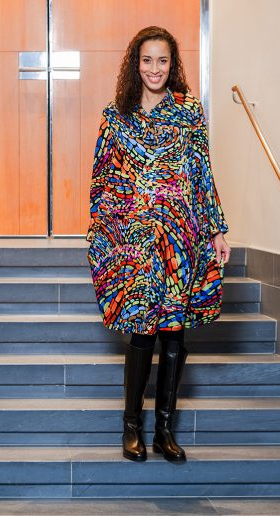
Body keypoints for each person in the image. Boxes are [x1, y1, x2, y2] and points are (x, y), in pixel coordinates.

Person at [85, 26, 231, 462]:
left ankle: (164, 429)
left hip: (181, 239)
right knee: (142, 330)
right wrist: (104, 233)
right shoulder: (116, 116)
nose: (155, 69)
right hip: (135, 243)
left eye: (162, 60)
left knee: (172, 332)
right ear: (136, 64)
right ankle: (131, 426)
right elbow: (102, 180)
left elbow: (202, 173)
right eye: (147, 60)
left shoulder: (189, 111)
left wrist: (217, 229)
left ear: (172, 64)